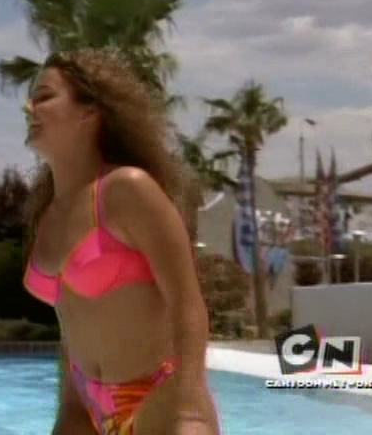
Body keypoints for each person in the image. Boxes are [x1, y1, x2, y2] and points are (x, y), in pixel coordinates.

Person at [22, 48, 222, 435]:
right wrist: (70, 407)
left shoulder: (127, 190)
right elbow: (71, 325)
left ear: (89, 110)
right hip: (86, 405)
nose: (29, 107)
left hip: (159, 398)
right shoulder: (48, 216)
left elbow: (187, 304)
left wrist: (188, 406)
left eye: (44, 96)